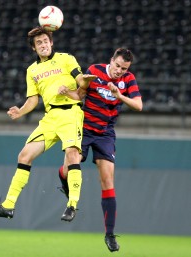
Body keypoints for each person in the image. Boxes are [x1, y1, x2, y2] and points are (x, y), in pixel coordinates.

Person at [0, 27, 95, 222]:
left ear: (51, 42)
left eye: (45, 41)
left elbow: (81, 83)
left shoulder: (66, 58)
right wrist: (21, 111)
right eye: (39, 43)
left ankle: (72, 205)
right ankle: (8, 205)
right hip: (50, 117)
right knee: (24, 155)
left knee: (72, 154)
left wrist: (84, 81)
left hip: (70, 113)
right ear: (34, 48)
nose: (43, 45)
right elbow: (33, 100)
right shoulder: (32, 70)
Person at [57, 48, 143, 251]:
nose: (120, 71)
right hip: (84, 129)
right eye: (118, 66)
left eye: (124, 68)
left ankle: (110, 235)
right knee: (69, 169)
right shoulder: (94, 71)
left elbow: (138, 105)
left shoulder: (128, 79)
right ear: (111, 60)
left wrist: (119, 95)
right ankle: (65, 182)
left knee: (107, 179)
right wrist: (66, 92)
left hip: (105, 133)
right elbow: (80, 95)